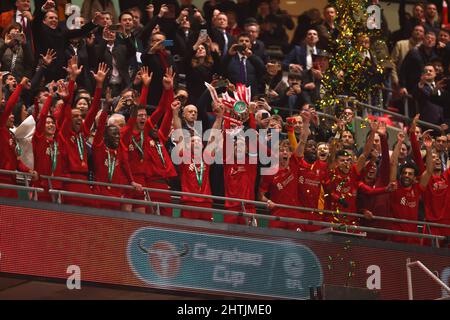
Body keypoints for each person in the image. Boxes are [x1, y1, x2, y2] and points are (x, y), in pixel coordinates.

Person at [389, 130, 433, 244]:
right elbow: (393, 163)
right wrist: (399, 142)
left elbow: (429, 171)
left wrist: (428, 149)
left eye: (410, 174)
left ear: (414, 178)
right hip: (396, 237)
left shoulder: (417, 189)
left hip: (413, 237)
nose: (406, 176)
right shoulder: (395, 186)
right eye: (404, 173)